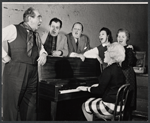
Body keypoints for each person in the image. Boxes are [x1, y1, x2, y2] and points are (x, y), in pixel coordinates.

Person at [2, 7, 47, 121]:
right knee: (11, 108)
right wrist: (4, 56)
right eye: (38, 17)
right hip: (15, 71)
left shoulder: (36, 35)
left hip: (32, 73)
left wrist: (43, 55)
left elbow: (42, 49)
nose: (41, 20)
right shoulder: (14, 28)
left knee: (31, 107)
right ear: (29, 18)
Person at [77, 42, 126, 121]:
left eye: (107, 51)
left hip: (109, 107)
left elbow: (100, 90)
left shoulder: (108, 70)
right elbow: (112, 85)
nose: (104, 53)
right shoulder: (119, 69)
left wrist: (87, 88)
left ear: (112, 55)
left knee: (84, 105)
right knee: (91, 100)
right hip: (120, 106)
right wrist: (96, 86)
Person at [116, 28, 137, 120]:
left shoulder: (128, 49)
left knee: (127, 96)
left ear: (127, 38)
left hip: (127, 74)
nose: (120, 38)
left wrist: (130, 51)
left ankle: (127, 118)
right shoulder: (115, 48)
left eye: (123, 37)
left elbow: (131, 62)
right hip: (118, 73)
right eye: (119, 36)